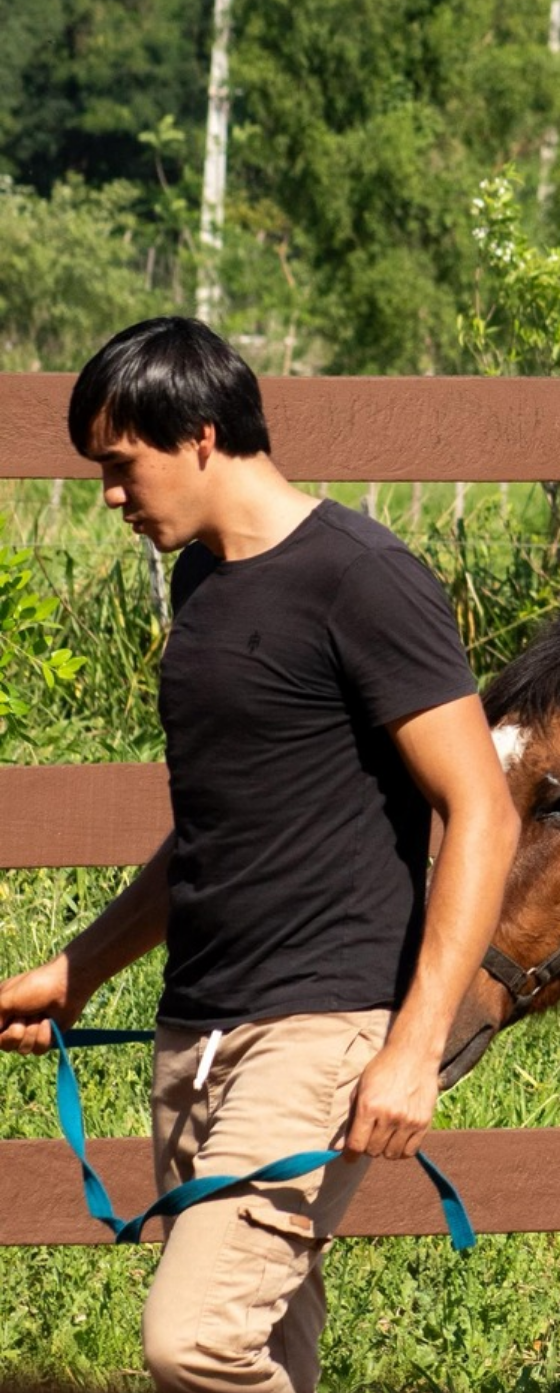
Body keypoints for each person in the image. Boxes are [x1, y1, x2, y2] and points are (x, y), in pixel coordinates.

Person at [0, 318, 518, 1392]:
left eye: (118, 464)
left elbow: (484, 812)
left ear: (197, 436)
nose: (109, 495)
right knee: (269, 1343)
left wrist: (414, 1047)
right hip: (196, 1027)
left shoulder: (365, 580)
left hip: (319, 1029)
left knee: (193, 1342)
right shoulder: (204, 585)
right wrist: (82, 966)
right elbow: (214, 827)